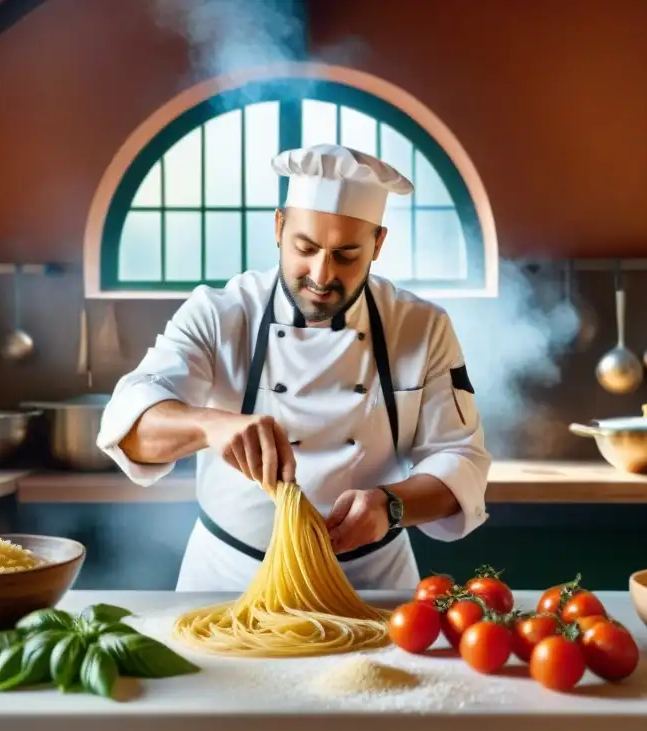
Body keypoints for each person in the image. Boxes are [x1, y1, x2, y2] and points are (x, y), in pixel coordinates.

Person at [97, 143, 492, 592]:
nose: (322, 275)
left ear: (378, 244)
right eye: (305, 247)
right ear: (279, 227)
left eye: (346, 255)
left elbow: (461, 460)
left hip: (369, 582)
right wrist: (210, 425)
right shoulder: (220, 312)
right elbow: (128, 424)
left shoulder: (422, 327)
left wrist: (390, 506)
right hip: (230, 579)